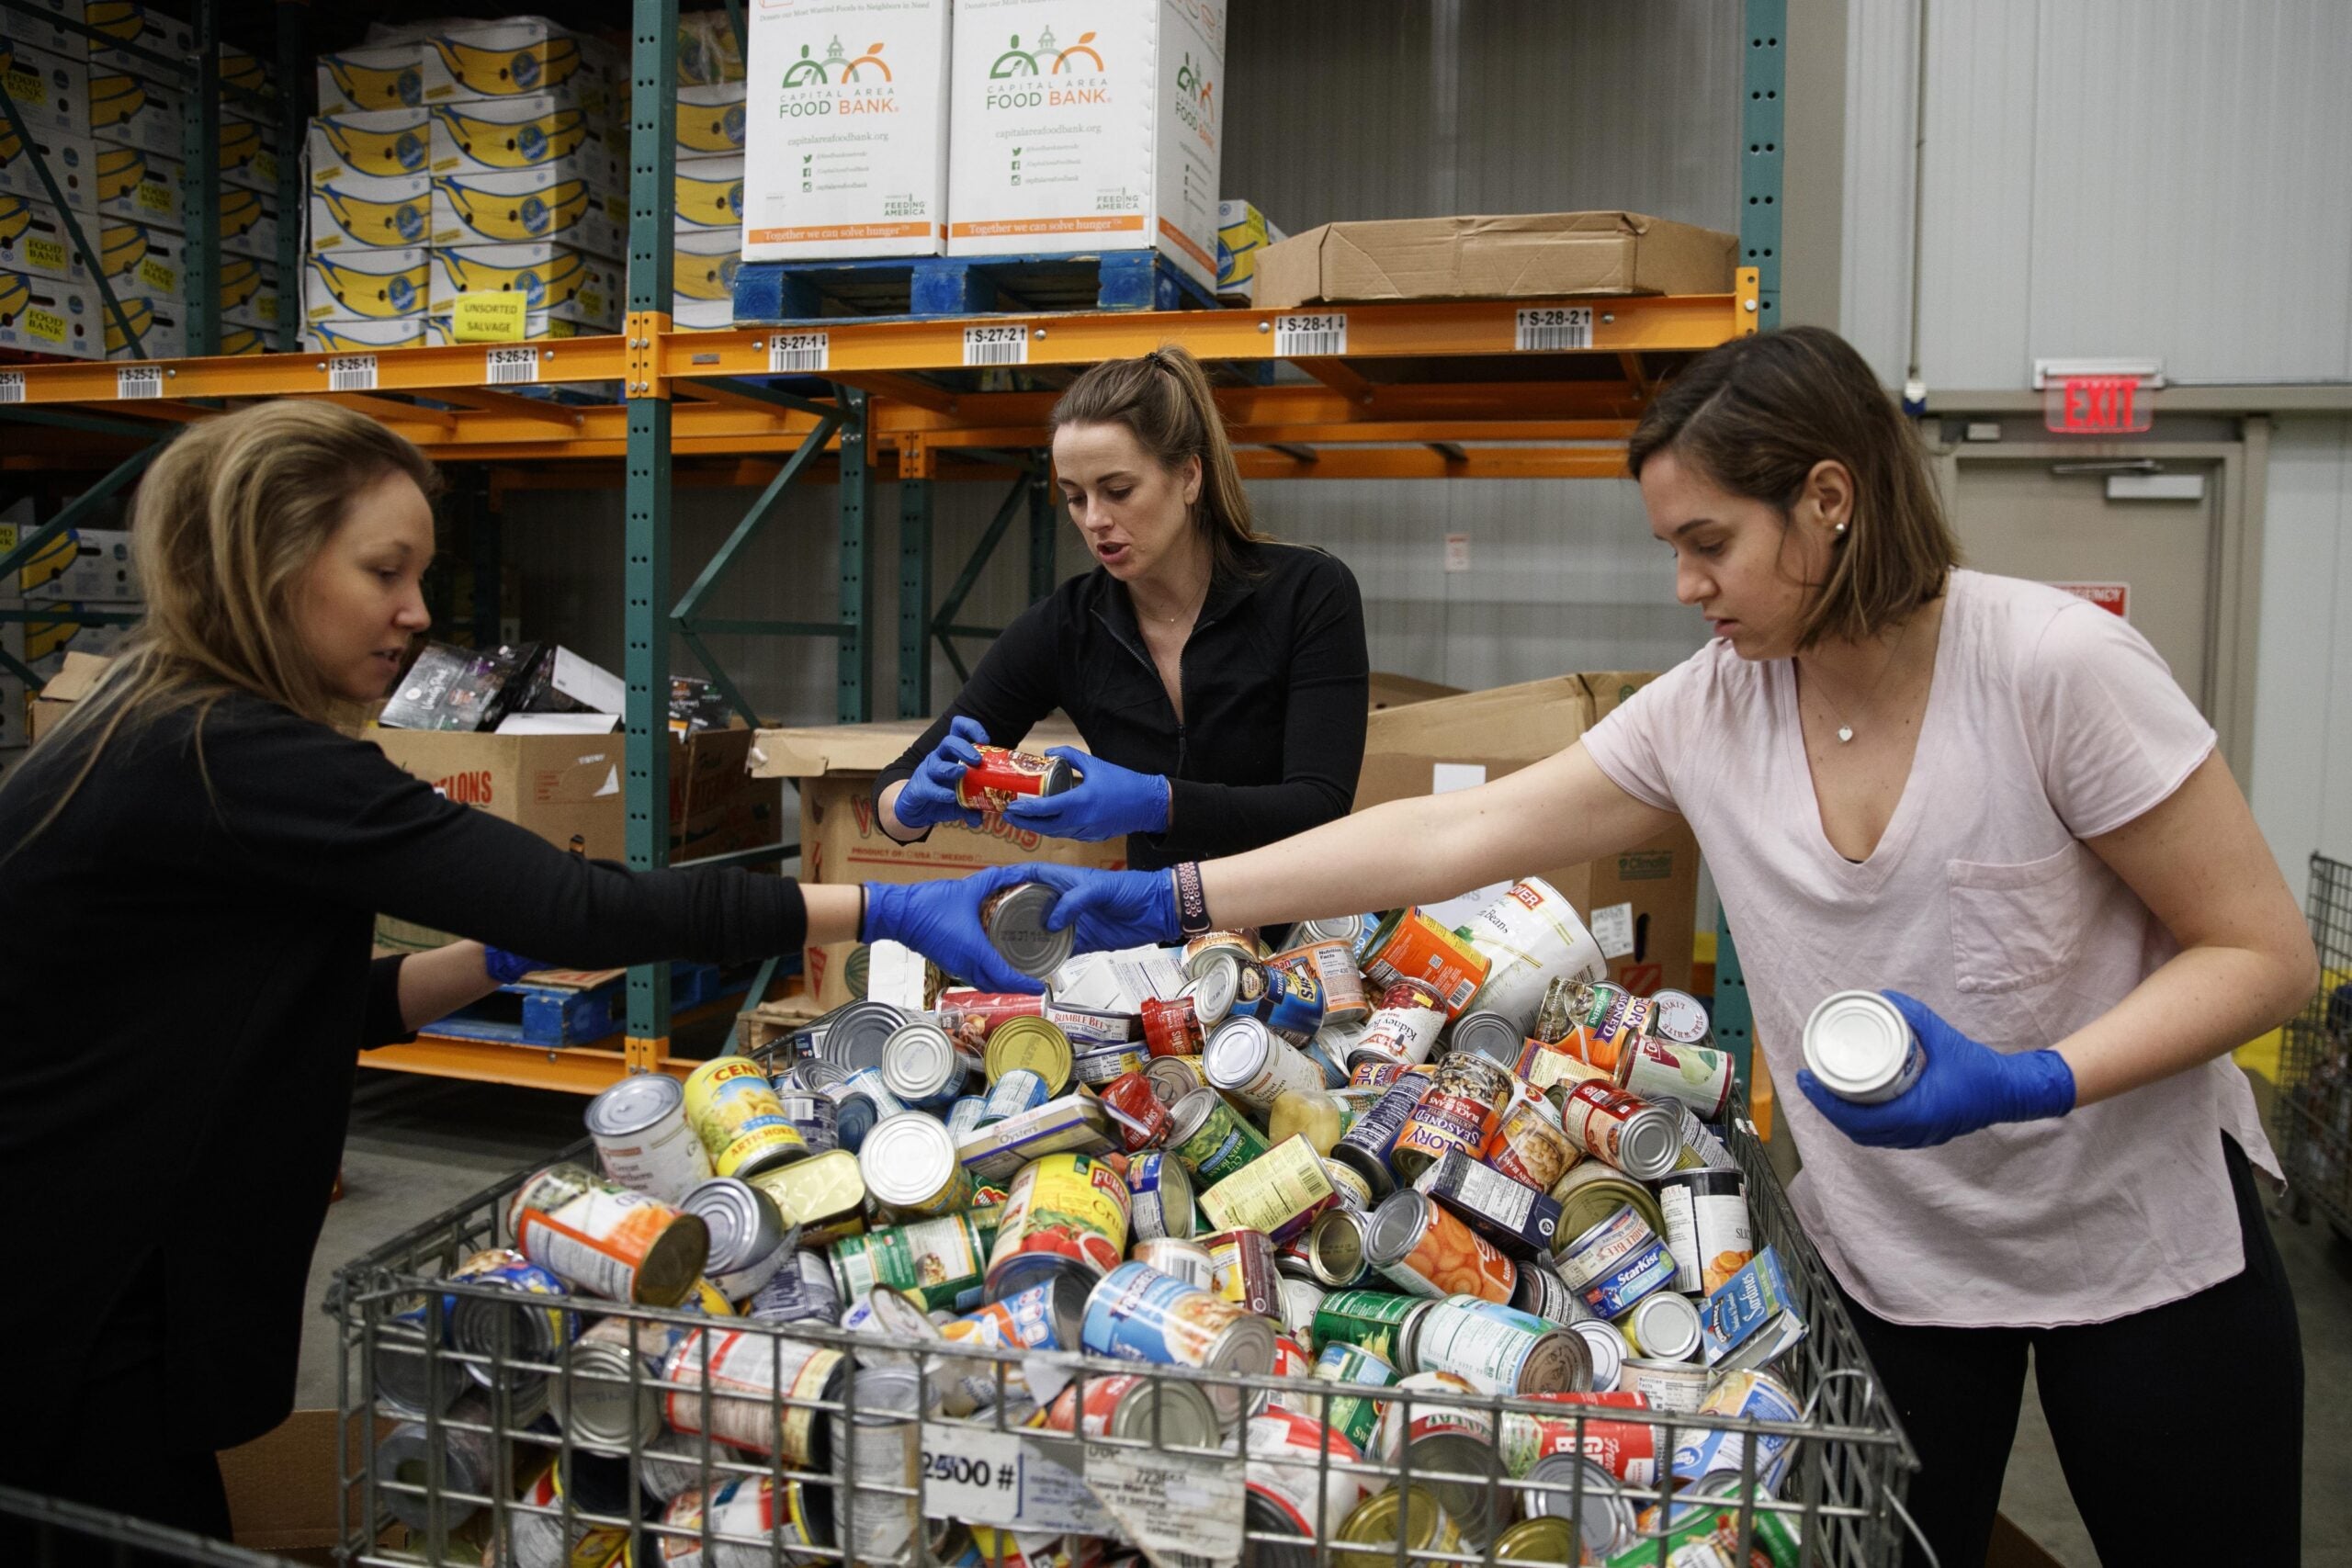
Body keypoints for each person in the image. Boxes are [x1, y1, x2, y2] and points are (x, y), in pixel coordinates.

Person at [1011, 327, 2315, 1565]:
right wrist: (1184, 892)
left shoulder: (2052, 668)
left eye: (1709, 543)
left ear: (1828, 499)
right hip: (1896, 1267)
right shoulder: (1715, 706)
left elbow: (2263, 951)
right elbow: (1453, 831)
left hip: (2142, 1251)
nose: (1685, 586)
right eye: (1670, 547)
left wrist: (2039, 1077)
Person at [0, 402, 1027, 1549]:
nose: (418, 613)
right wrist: (887, 906)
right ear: (269, 566)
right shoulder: (229, 753)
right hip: (65, 1300)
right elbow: (584, 903)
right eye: (384, 570)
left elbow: (315, 1011)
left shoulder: (161, 729)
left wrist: (492, 953)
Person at [875, 344, 1369, 869]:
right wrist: (912, 804)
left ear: (1188, 477)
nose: (1094, 520)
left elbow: (1320, 804)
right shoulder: (1064, 628)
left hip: (1298, 934)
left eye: (1117, 490)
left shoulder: (1307, 591)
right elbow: (896, 784)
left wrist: (1159, 803)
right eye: (1074, 496)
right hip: (1158, 935)